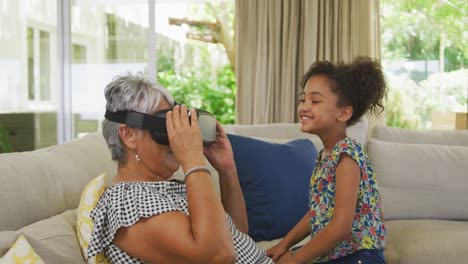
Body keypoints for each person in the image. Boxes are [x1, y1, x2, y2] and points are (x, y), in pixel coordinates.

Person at [87, 73, 273, 264]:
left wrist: (227, 171)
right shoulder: (125, 202)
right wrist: (193, 160)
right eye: (165, 125)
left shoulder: (167, 188)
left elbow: (238, 235)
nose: (175, 136)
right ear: (129, 136)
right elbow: (219, 256)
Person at [266, 57, 387, 264]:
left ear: (343, 113)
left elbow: (340, 228)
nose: (304, 106)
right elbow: (317, 211)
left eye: (315, 101)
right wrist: (284, 244)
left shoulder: (348, 154)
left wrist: (295, 261)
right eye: (302, 99)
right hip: (336, 254)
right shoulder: (325, 155)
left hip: (359, 257)